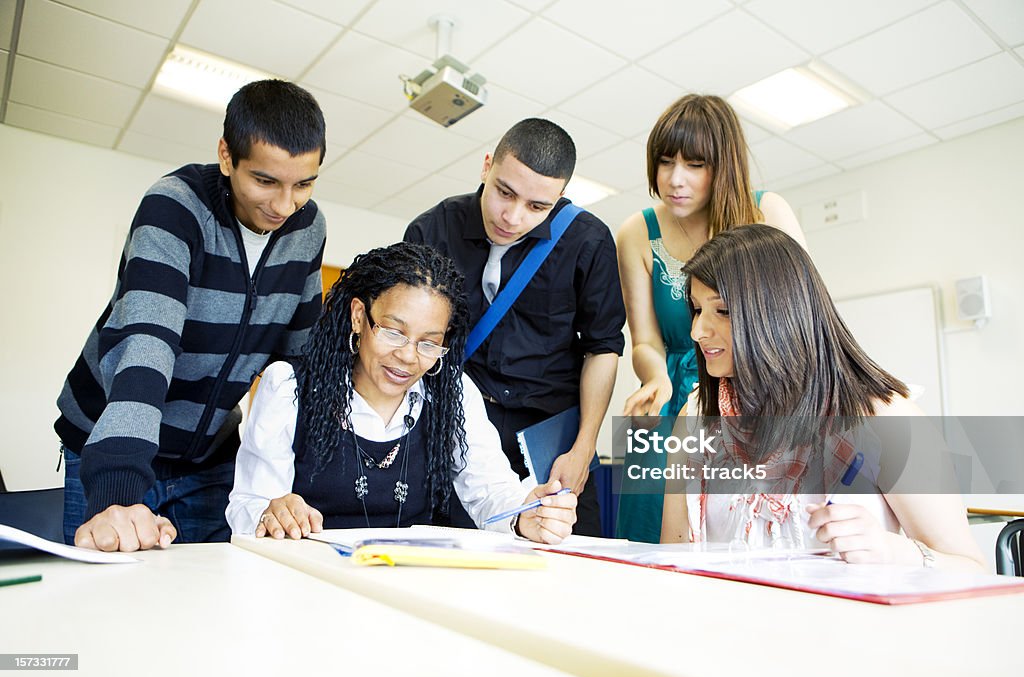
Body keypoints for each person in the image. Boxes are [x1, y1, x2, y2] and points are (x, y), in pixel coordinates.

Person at [56, 80, 329, 552]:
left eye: (303, 184)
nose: (285, 205)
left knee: (204, 601)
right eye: (265, 181)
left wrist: (288, 478)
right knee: (101, 602)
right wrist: (118, 491)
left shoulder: (308, 228)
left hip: (209, 457)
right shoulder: (176, 207)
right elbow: (148, 338)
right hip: (111, 442)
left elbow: (298, 364)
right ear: (227, 156)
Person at [660, 224, 985, 571]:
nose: (697, 331)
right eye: (696, 310)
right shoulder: (696, 416)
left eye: (722, 311)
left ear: (780, 313)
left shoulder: (886, 421)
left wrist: (898, 553)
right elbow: (674, 558)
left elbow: (973, 568)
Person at [226, 242, 577, 543]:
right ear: (359, 317)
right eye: (394, 332)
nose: (408, 357)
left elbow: (491, 488)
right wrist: (270, 513)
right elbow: (249, 504)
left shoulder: (452, 392)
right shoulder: (289, 386)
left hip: (407, 588)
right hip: (311, 587)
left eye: (429, 343)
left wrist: (526, 516)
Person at [404, 118, 625, 537]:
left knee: (573, 566)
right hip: (459, 429)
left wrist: (582, 449)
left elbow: (604, 348)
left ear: (559, 197)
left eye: (537, 206)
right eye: (505, 192)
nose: (512, 216)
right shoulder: (432, 230)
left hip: (551, 438)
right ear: (487, 165)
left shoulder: (587, 242)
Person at [615, 94, 808, 542]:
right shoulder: (636, 232)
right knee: (654, 540)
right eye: (665, 162)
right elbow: (645, 339)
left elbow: (802, 316)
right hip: (671, 408)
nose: (675, 180)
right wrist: (655, 379)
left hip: (758, 397)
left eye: (695, 165)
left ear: (723, 166)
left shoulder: (766, 212)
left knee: (750, 532)